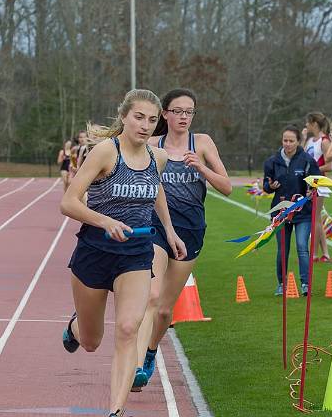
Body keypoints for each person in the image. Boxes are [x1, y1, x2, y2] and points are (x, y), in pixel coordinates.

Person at [60, 89, 186, 417]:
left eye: (152, 119)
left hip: (135, 254)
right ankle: (75, 328)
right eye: (139, 117)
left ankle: (116, 410)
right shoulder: (106, 152)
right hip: (95, 251)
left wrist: (170, 230)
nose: (145, 125)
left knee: (129, 328)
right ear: (124, 117)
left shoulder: (157, 157)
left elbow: (156, 189)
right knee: (91, 341)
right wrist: (105, 221)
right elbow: (69, 202)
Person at [132, 88, 232, 391]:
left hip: (190, 232)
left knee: (164, 309)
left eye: (189, 112)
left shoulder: (201, 143)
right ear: (165, 114)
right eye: (177, 111)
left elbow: (226, 186)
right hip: (157, 228)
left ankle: (150, 352)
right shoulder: (152, 145)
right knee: (150, 296)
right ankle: (136, 367)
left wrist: (201, 168)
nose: (184, 117)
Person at [263, 125, 320, 296]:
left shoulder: (307, 160)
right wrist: (270, 186)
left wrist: (312, 189)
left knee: (302, 246)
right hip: (280, 213)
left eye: (291, 141)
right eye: (285, 140)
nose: (287, 144)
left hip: (302, 212)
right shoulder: (272, 161)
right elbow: (266, 186)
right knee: (282, 249)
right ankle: (282, 284)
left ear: (298, 141)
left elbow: (316, 182)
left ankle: (305, 284)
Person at [304, 112, 332, 263]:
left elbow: (329, 164)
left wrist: (313, 170)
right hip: (310, 182)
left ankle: (313, 253)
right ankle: (325, 253)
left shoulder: (324, 141)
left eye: (308, 123)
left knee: (314, 218)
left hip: (319, 182)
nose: (306, 125)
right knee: (317, 218)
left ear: (314, 123)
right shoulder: (310, 140)